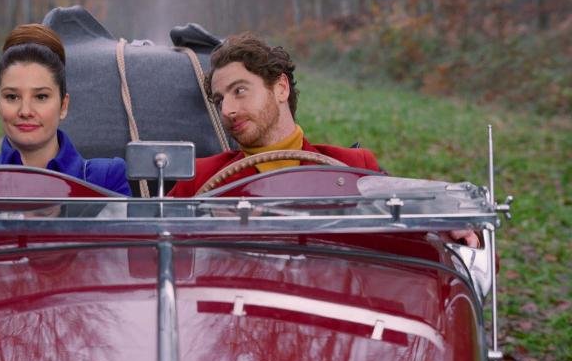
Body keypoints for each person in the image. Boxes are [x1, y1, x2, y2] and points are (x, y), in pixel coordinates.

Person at [168, 33, 479, 247]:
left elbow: (413, 247)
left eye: (240, 91)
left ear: (280, 88)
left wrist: (449, 229)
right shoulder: (200, 180)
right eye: (219, 100)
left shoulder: (353, 168)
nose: (228, 109)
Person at [0, 23, 131, 196]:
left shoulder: (106, 179)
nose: (25, 111)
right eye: (12, 97)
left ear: (63, 106)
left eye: (41, 97)